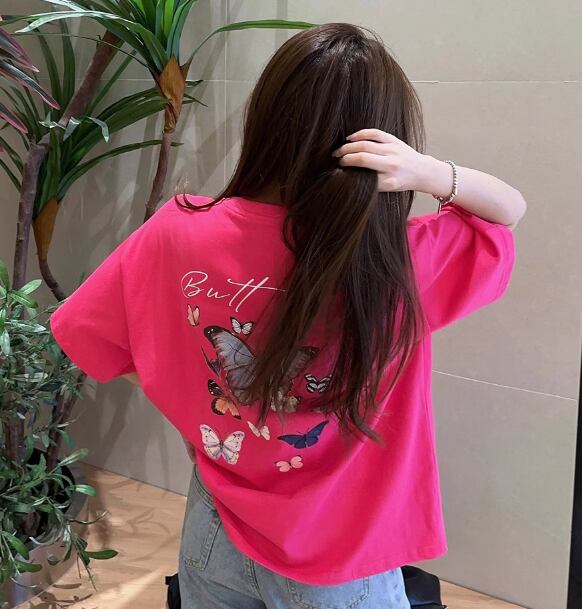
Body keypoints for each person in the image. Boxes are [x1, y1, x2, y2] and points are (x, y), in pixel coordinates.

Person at [49, 22, 525, 609]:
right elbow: (507, 211)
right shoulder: (401, 261)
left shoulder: (178, 229)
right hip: (339, 556)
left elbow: (89, 336)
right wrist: (429, 172)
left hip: (214, 530)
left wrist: (203, 411)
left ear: (267, 119)